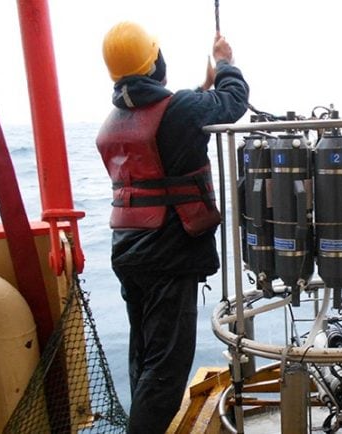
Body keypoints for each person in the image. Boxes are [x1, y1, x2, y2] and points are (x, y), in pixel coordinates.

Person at [96, 21, 249, 433]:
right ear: (157, 61)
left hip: (128, 249)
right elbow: (234, 101)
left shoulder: (116, 119)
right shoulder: (179, 111)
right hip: (168, 254)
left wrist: (202, 89)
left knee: (145, 352)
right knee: (167, 367)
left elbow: (172, 121)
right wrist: (225, 63)